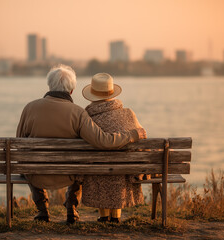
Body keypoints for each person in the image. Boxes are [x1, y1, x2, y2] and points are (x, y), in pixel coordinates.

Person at [16, 65, 146, 224]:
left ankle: (42, 211)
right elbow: (102, 141)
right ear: (71, 91)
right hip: (69, 175)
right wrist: (132, 135)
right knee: (81, 165)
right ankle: (71, 208)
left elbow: (19, 143)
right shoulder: (78, 113)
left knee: (29, 164)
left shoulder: (29, 108)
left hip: (36, 175)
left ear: (49, 86)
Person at [81, 73, 147, 223]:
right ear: (112, 93)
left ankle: (104, 216)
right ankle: (115, 217)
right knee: (119, 172)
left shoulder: (87, 118)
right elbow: (142, 142)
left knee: (101, 169)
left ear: (92, 95)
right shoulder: (129, 114)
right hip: (123, 175)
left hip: (96, 174)